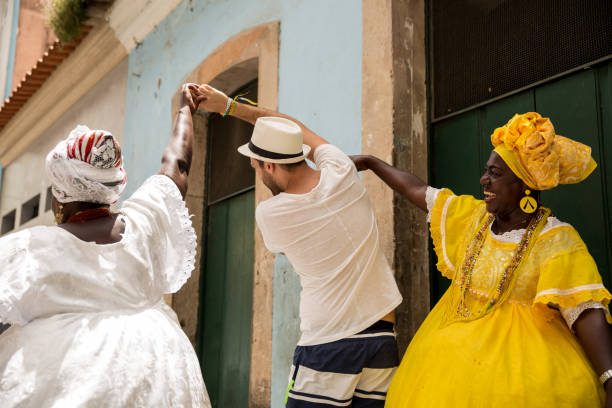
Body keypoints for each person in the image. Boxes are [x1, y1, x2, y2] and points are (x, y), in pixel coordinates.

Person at [351, 112, 612, 407]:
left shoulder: (555, 240)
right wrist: (371, 163)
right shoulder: (473, 219)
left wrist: (610, 378)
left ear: (525, 183)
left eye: (496, 174)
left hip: (525, 376)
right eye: (486, 171)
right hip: (446, 370)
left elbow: (585, 313)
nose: (484, 180)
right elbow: (418, 191)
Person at [0, 84, 211, 407]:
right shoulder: (145, 222)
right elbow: (177, 165)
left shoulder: (30, 248)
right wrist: (186, 108)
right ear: (112, 187)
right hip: (160, 373)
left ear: (63, 195)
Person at [194, 84, 403, 407]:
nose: (253, 167)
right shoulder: (342, 170)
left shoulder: (271, 214)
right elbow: (299, 130)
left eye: (255, 162)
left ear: (271, 166)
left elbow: (280, 247)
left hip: (329, 345)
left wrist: (227, 107)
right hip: (381, 337)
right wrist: (230, 106)